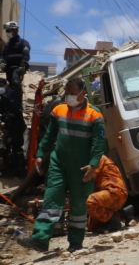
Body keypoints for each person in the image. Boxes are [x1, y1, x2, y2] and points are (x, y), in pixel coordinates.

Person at [16, 77, 106, 253]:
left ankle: (75, 241)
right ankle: (40, 238)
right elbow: (50, 135)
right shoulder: (58, 110)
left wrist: (94, 165)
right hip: (59, 161)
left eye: (73, 93)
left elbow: (99, 143)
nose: (69, 96)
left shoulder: (94, 115)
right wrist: (40, 154)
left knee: (78, 204)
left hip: (81, 166)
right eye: (67, 93)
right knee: (52, 197)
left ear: (83, 93)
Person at [86, 155, 132, 233]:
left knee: (90, 202)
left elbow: (88, 180)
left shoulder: (96, 158)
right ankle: (123, 213)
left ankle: (114, 222)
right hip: (105, 194)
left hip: (114, 192)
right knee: (93, 226)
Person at [0, 78, 27, 178]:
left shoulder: (11, 94)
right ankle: (11, 171)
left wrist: (4, 118)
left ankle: (18, 172)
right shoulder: (3, 95)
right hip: (9, 126)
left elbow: (14, 111)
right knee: (8, 148)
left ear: (5, 85)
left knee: (14, 147)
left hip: (15, 126)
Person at [0, 21, 31, 95]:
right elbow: (2, 55)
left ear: (15, 30)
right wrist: (1, 63)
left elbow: (26, 54)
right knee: (10, 83)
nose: (7, 32)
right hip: (9, 68)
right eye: (6, 31)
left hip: (18, 67)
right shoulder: (7, 45)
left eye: (9, 30)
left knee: (16, 82)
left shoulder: (23, 43)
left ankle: (18, 101)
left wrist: (23, 64)